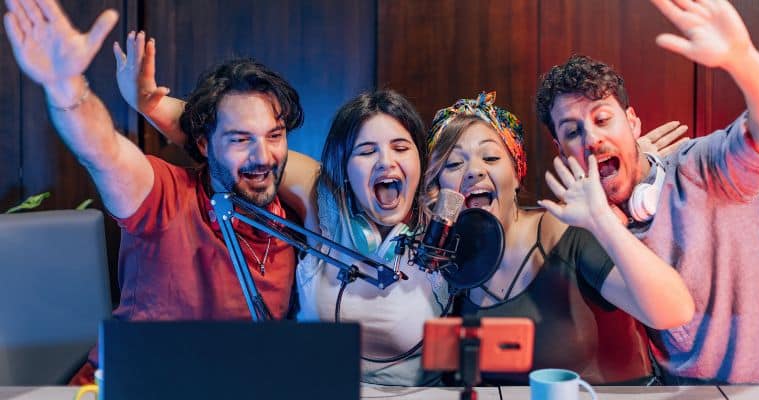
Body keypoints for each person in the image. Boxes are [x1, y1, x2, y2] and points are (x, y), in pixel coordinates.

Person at [113, 33, 448, 386]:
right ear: (343, 168)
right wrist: (149, 104)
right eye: (366, 151)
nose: (386, 162)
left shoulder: (442, 223)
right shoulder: (320, 199)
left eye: (400, 147)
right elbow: (231, 139)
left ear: (421, 162)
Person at [3, 0, 302, 384]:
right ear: (205, 144)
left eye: (274, 136)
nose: (263, 156)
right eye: (240, 139)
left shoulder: (293, 221)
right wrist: (66, 87)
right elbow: (102, 150)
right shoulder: (164, 194)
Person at [535, 0, 759, 385]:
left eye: (603, 119)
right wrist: (603, 222)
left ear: (633, 122)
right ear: (562, 150)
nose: (591, 138)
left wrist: (742, 59)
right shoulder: (587, 232)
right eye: (573, 131)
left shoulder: (700, 168)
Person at [422, 92, 694, 385]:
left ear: (516, 173)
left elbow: (673, 311)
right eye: (453, 165)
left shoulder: (563, 231)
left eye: (490, 157)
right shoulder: (446, 261)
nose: (474, 171)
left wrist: (603, 217)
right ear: (440, 185)